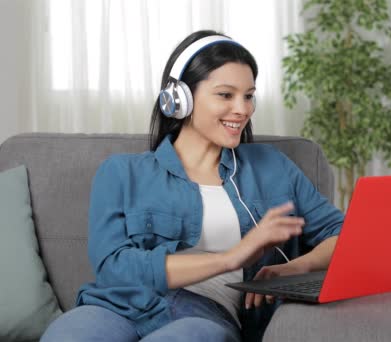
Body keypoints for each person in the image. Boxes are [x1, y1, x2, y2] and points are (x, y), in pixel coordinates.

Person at [41, 30, 343, 342]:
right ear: (179, 99)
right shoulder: (121, 172)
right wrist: (231, 258)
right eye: (226, 95)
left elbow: (348, 237)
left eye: (249, 95)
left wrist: (295, 268)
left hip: (204, 314)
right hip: (113, 308)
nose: (243, 109)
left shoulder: (272, 167)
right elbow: (114, 267)